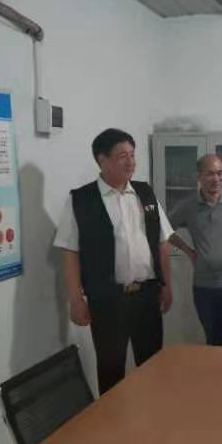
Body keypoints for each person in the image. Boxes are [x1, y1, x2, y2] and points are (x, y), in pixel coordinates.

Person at [55, 128, 174, 395]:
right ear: (102, 160)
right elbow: (70, 252)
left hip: (147, 295)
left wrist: (167, 284)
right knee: (111, 369)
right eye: (122, 156)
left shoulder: (145, 194)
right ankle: (112, 420)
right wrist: (75, 299)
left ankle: (156, 415)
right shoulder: (81, 200)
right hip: (107, 299)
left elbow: (162, 242)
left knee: (154, 365)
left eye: (132, 155)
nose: (130, 161)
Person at [168, 154, 222, 347]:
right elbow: (164, 229)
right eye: (210, 174)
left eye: (220, 173)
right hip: (204, 288)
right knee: (213, 343)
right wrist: (188, 251)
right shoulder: (189, 205)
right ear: (199, 177)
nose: (216, 179)